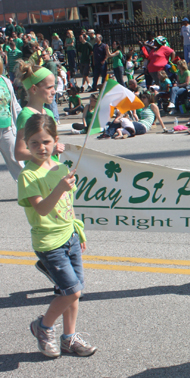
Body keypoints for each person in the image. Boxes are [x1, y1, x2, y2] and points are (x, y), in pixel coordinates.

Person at [18, 113, 97, 358]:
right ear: (27, 144)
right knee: (71, 291)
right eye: (34, 143)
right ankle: (42, 326)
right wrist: (60, 187)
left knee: (74, 291)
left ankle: (69, 338)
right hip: (49, 243)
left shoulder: (61, 167)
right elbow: (41, 209)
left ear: (55, 140)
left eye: (46, 142)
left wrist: (77, 230)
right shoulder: (28, 175)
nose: (41, 147)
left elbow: (67, 204)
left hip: (69, 237)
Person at [14, 61, 65, 163]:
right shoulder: (26, 116)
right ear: (34, 89)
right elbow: (19, 153)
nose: (54, 91)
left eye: (54, 87)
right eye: (49, 87)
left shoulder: (48, 113)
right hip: (37, 173)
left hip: (52, 169)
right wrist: (49, 152)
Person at [0, 57, 23, 181]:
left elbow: (14, 104)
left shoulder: (5, 81)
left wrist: (26, 117)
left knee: (17, 161)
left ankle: (29, 191)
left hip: (7, 128)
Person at [42, 50, 60, 124]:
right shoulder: (45, 65)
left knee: (51, 103)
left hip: (51, 86)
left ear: (48, 54)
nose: (43, 57)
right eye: (41, 56)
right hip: (46, 87)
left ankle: (55, 118)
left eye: (44, 55)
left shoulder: (51, 64)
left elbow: (52, 77)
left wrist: (53, 87)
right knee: (48, 103)